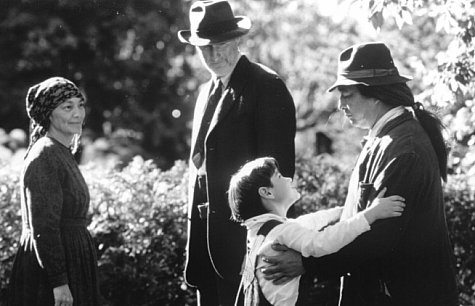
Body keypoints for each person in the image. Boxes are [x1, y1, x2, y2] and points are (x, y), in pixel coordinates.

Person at [261, 42, 459, 306]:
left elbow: (380, 239)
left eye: (347, 94)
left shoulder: (403, 149)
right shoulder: (385, 138)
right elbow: (357, 216)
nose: (340, 104)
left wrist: (307, 264)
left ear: (375, 93)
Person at [177, 1, 296, 305]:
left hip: (247, 250)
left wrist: (271, 246)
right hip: (207, 249)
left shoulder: (266, 86)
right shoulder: (206, 92)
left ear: (237, 40)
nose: (214, 55)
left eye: (221, 45)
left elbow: (280, 180)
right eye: (205, 48)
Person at [228, 157, 405, 306]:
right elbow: (322, 242)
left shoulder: (261, 233)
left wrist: (343, 211)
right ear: (267, 192)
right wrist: (369, 214)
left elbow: (308, 222)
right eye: (280, 176)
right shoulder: (281, 231)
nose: (288, 179)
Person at [8, 77, 100, 306]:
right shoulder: (45, 155)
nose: (78, 113)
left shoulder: (60, 151)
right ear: (49, 114)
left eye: (80, 105)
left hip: (69, 265)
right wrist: (58, 282)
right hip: (49, 275)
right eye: (67, 107)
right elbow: (44, 226)